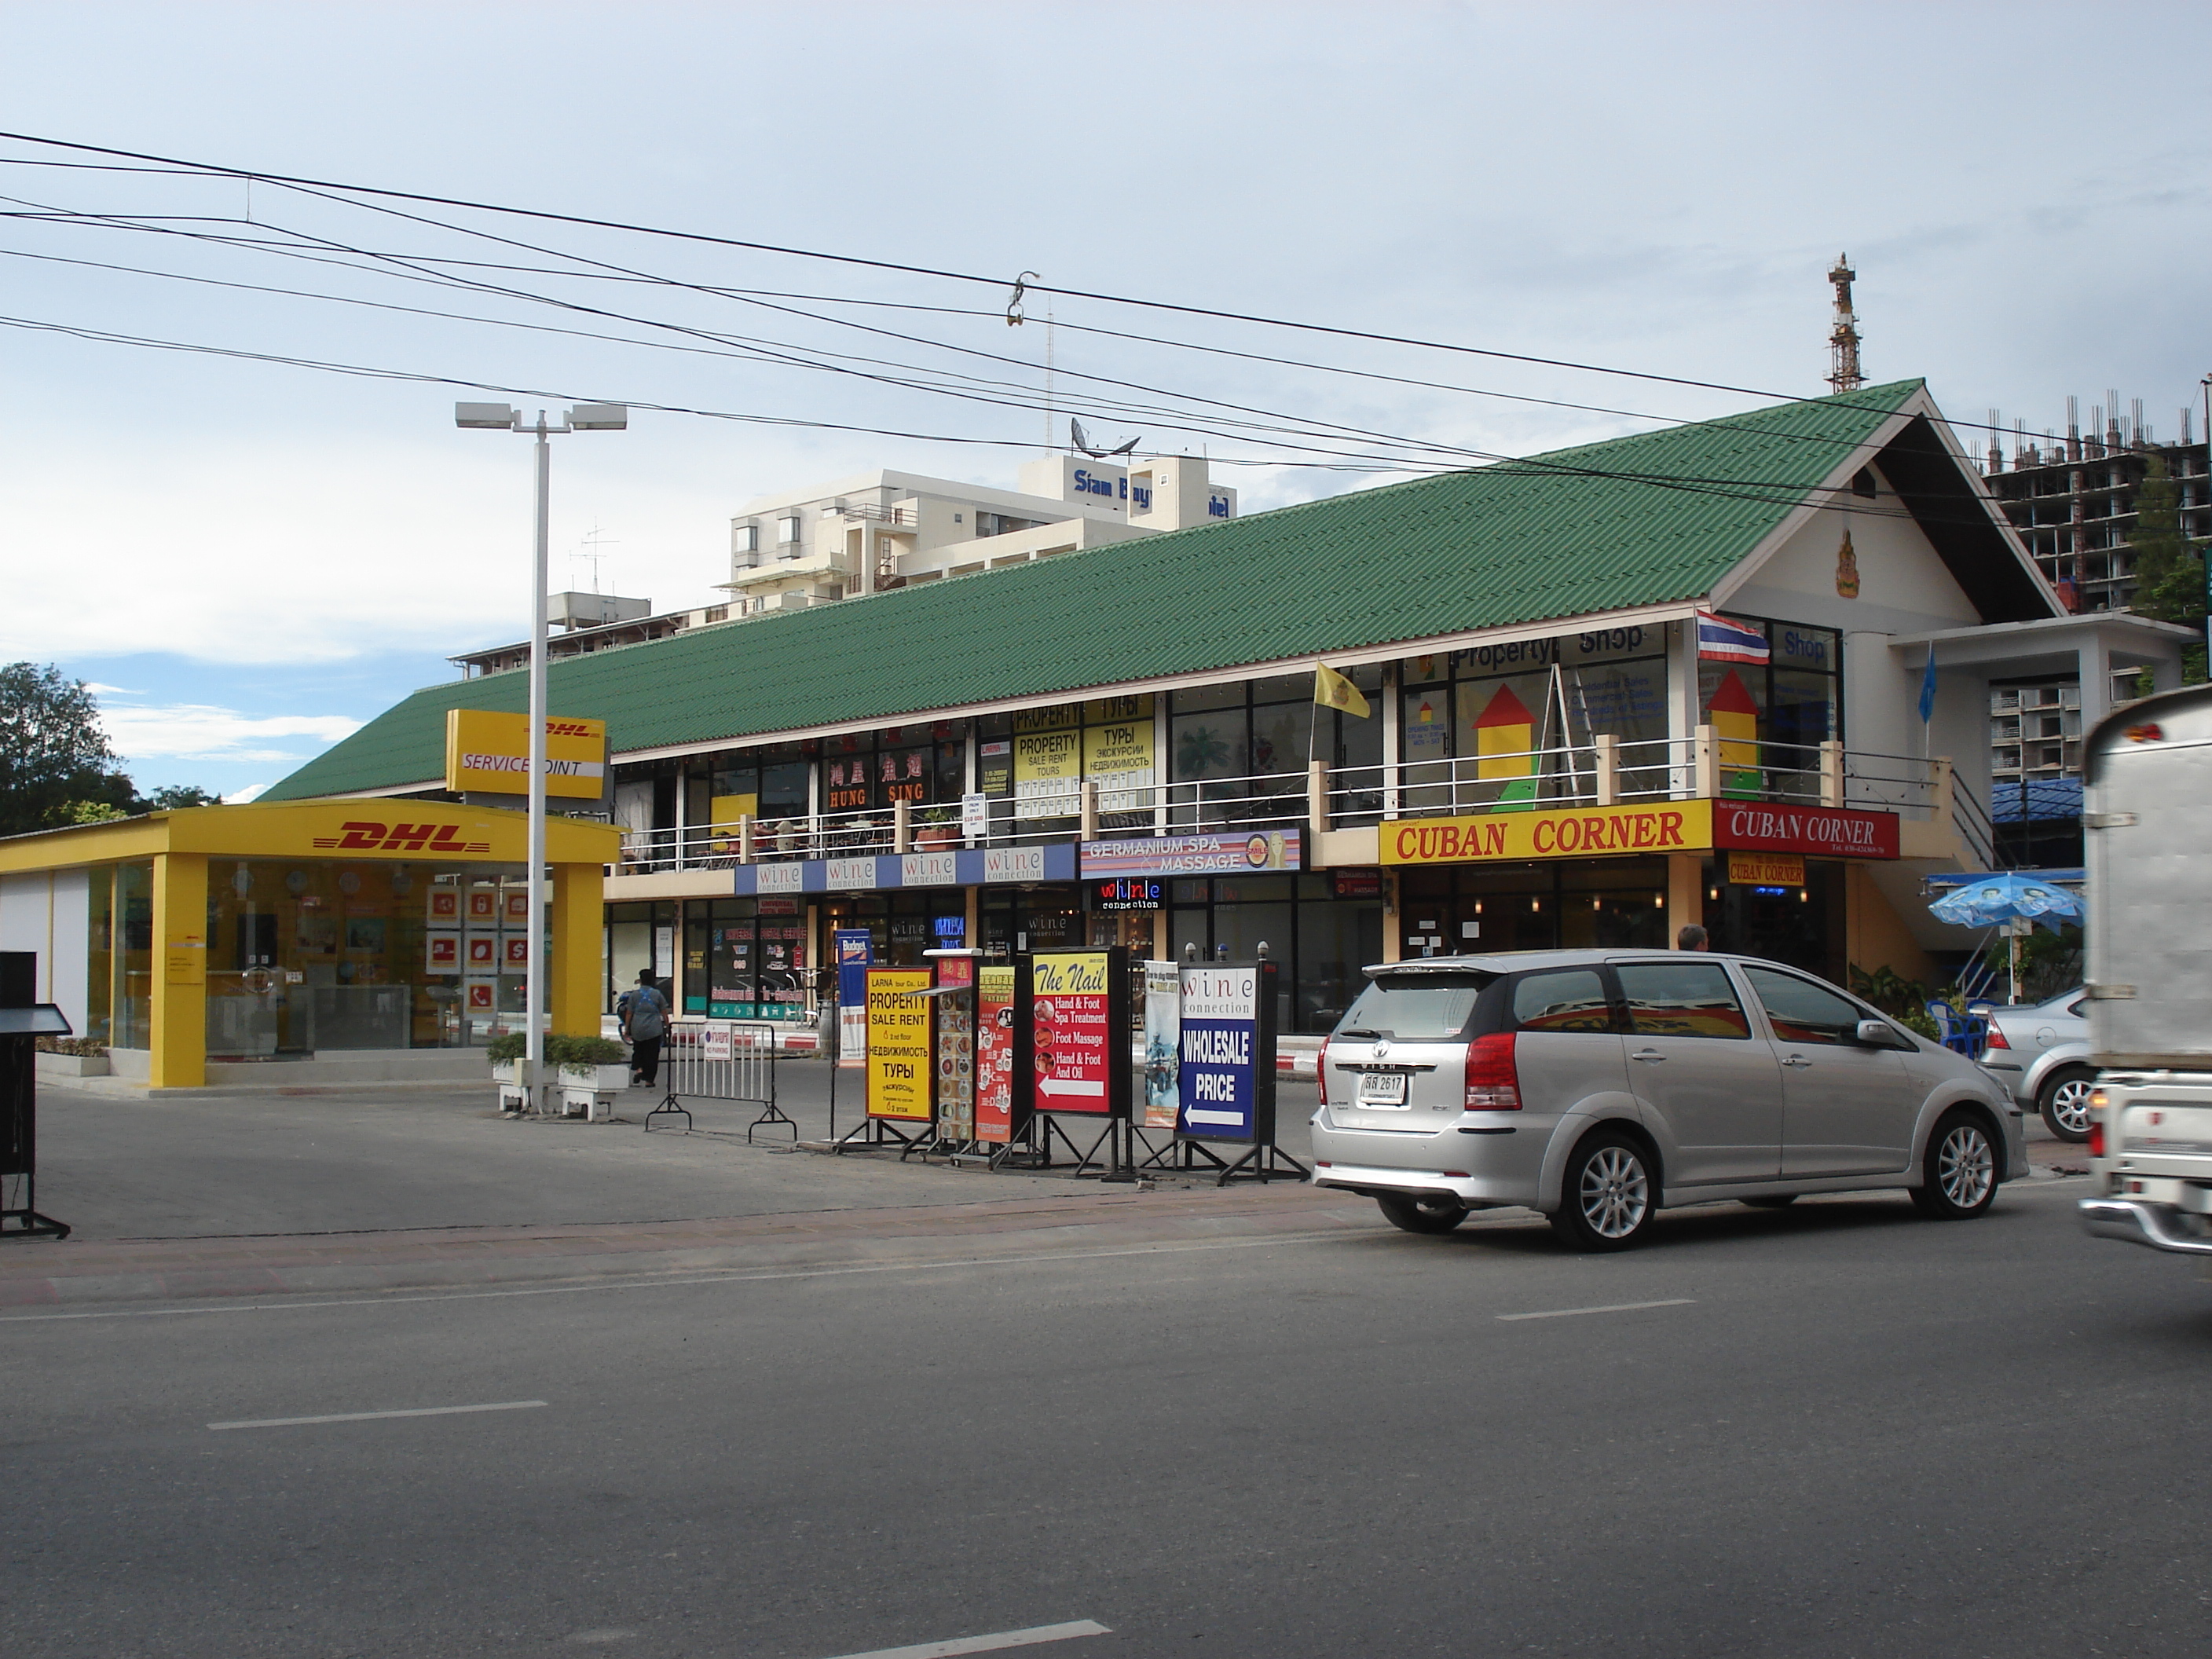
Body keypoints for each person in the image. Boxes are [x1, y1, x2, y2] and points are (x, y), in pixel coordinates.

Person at [617, 969, 670, 1088]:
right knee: (652, 1054)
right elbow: (664, 1012)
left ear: (641, 980)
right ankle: (649, 1080)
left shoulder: (634, 995)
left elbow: (629, 1013)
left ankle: (639, 1069)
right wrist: (667, 1026)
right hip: (654, 1028)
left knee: (638, 1050)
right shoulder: (657, 994)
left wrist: (627, 1028)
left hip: (638, 1027)